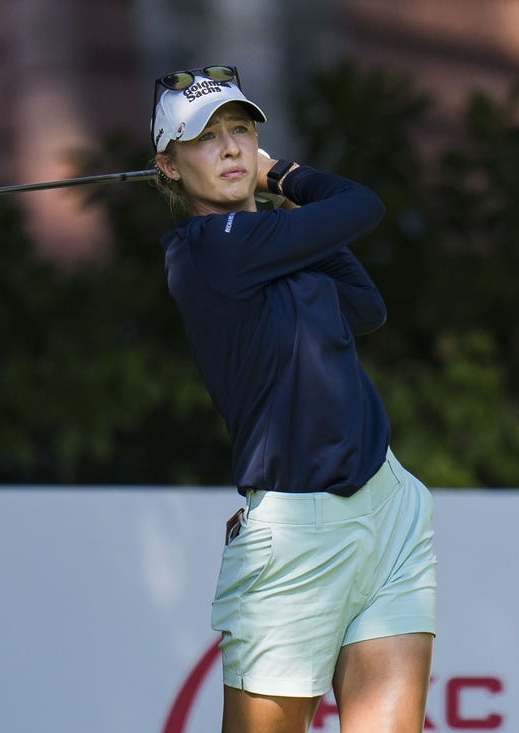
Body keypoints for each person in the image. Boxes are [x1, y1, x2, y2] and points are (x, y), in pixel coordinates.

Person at [150, 65, 437, 732]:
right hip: (296, 539)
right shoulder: (207, 251)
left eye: (241, 131)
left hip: (387, 511)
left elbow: (367, 308)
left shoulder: (276, 244)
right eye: (204, 138)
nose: (229, 148)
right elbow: (362, 204)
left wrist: (289, 213)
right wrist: (284, 179)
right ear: (167, 166)